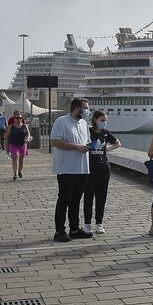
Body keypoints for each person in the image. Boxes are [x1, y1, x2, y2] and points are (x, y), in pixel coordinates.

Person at [50, 98, 94, 243]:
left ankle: (74, 229)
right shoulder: (61, 121)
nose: (87, 110)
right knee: (64, 200)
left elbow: (85, 141)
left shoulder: (84, 124)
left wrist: (89, 146)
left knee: (76, 200)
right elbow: (55, 141)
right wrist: (76, 147)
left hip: (82, 168)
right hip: (66, 169)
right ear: (77, 108)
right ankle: (59, 231)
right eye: (85, 108)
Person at [83, 110, 121, 234]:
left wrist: (107, 150)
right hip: (90, 169)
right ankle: (87, 224)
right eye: (102, 120)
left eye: (105, 120)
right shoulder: (88, 132)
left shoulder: (105, 133)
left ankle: (99, 223)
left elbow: (117, 143)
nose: (104, 123)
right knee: (88, 196)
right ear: (95, 120)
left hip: (104, 169)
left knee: (101, 197)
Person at [7, 113, 30, 180]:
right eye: (17, 118)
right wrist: (6, 146)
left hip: (22, 144)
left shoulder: (25, 126)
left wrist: (27, 138)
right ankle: (15, 173)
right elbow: (7, 136)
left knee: (21, 159)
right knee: (15, 157)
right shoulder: (11, 126)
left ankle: (19, 171)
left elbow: (28, 134)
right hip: (13, 144)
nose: (19, 119)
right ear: (14, 119)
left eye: (20, 118)